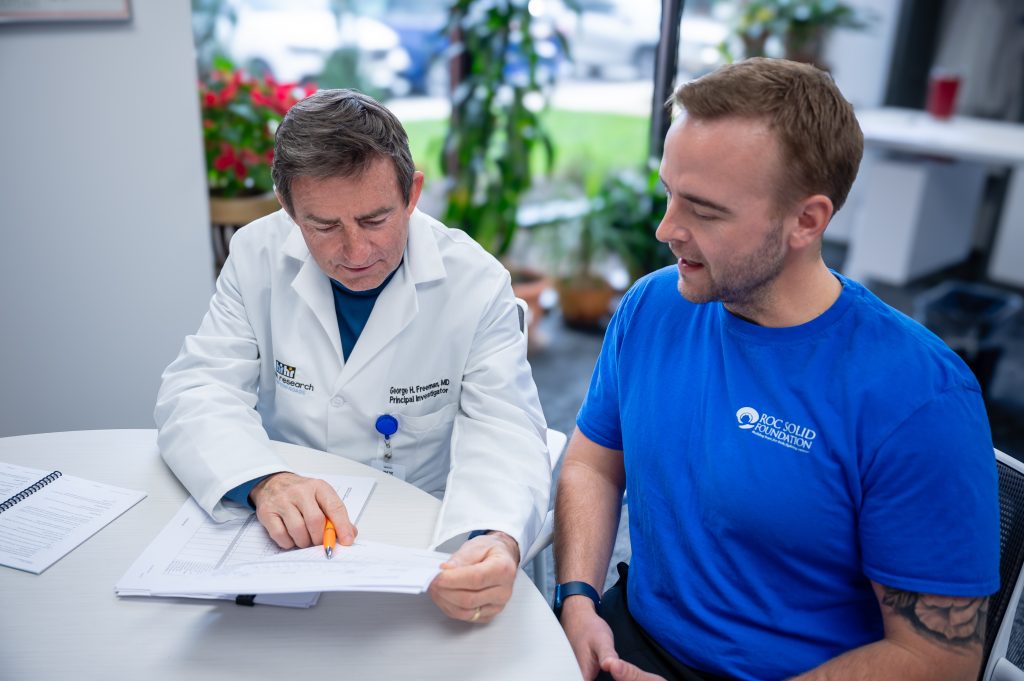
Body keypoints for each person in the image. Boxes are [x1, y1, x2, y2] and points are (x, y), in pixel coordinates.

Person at [553, 58, 999, 681]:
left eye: (705, 211)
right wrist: (577, 600)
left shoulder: (918, 398)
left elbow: (938, 659)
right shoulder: (652, 306)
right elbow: (592, 463)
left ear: (806, 221)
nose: (665, 229)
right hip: (628, 641)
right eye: (669, 192)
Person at [155, 89, 551, 624]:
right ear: (288, 208)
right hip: (290, 528)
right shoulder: (255, 255)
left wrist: (495, 536)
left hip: (422, 532)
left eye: (374, 219)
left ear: (411, 194)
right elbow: (199, 389)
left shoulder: (475, 283)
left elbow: (504, 429)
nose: (356, 251)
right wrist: (265, 481)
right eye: (323, 226)